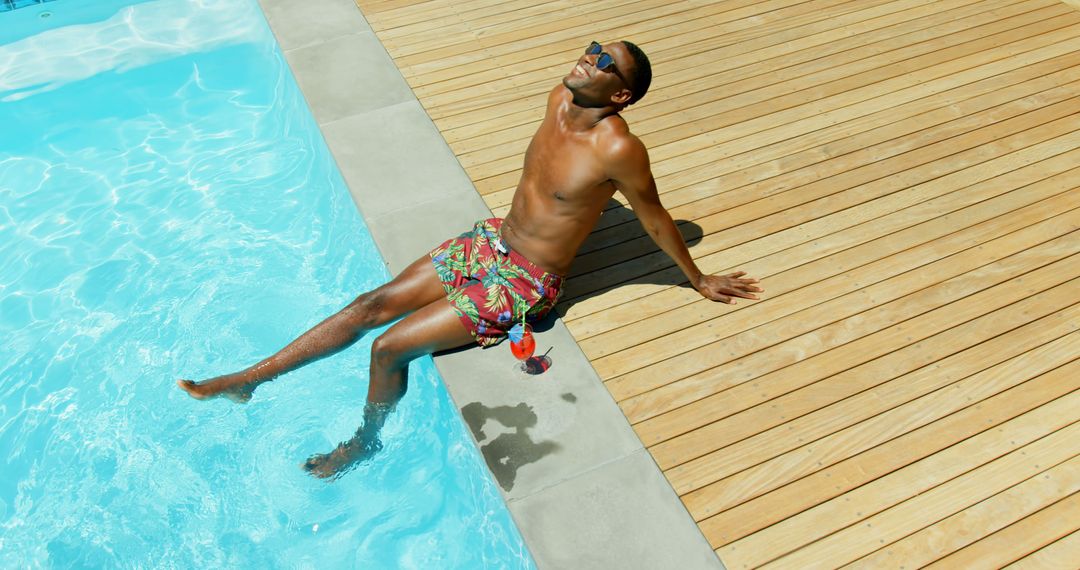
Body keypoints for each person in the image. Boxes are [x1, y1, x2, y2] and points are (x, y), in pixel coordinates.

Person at [178, 41, 763, 479]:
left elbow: (653, 216)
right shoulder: (559, 98)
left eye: (604, 63)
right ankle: (248, 382)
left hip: (528, 280)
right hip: (490, 240)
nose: (588, 59)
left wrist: (697, 278)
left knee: (389, 346)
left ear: (620, 96)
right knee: (369, 306)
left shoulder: (618, 148)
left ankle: (363, 442)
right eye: (592, 48)